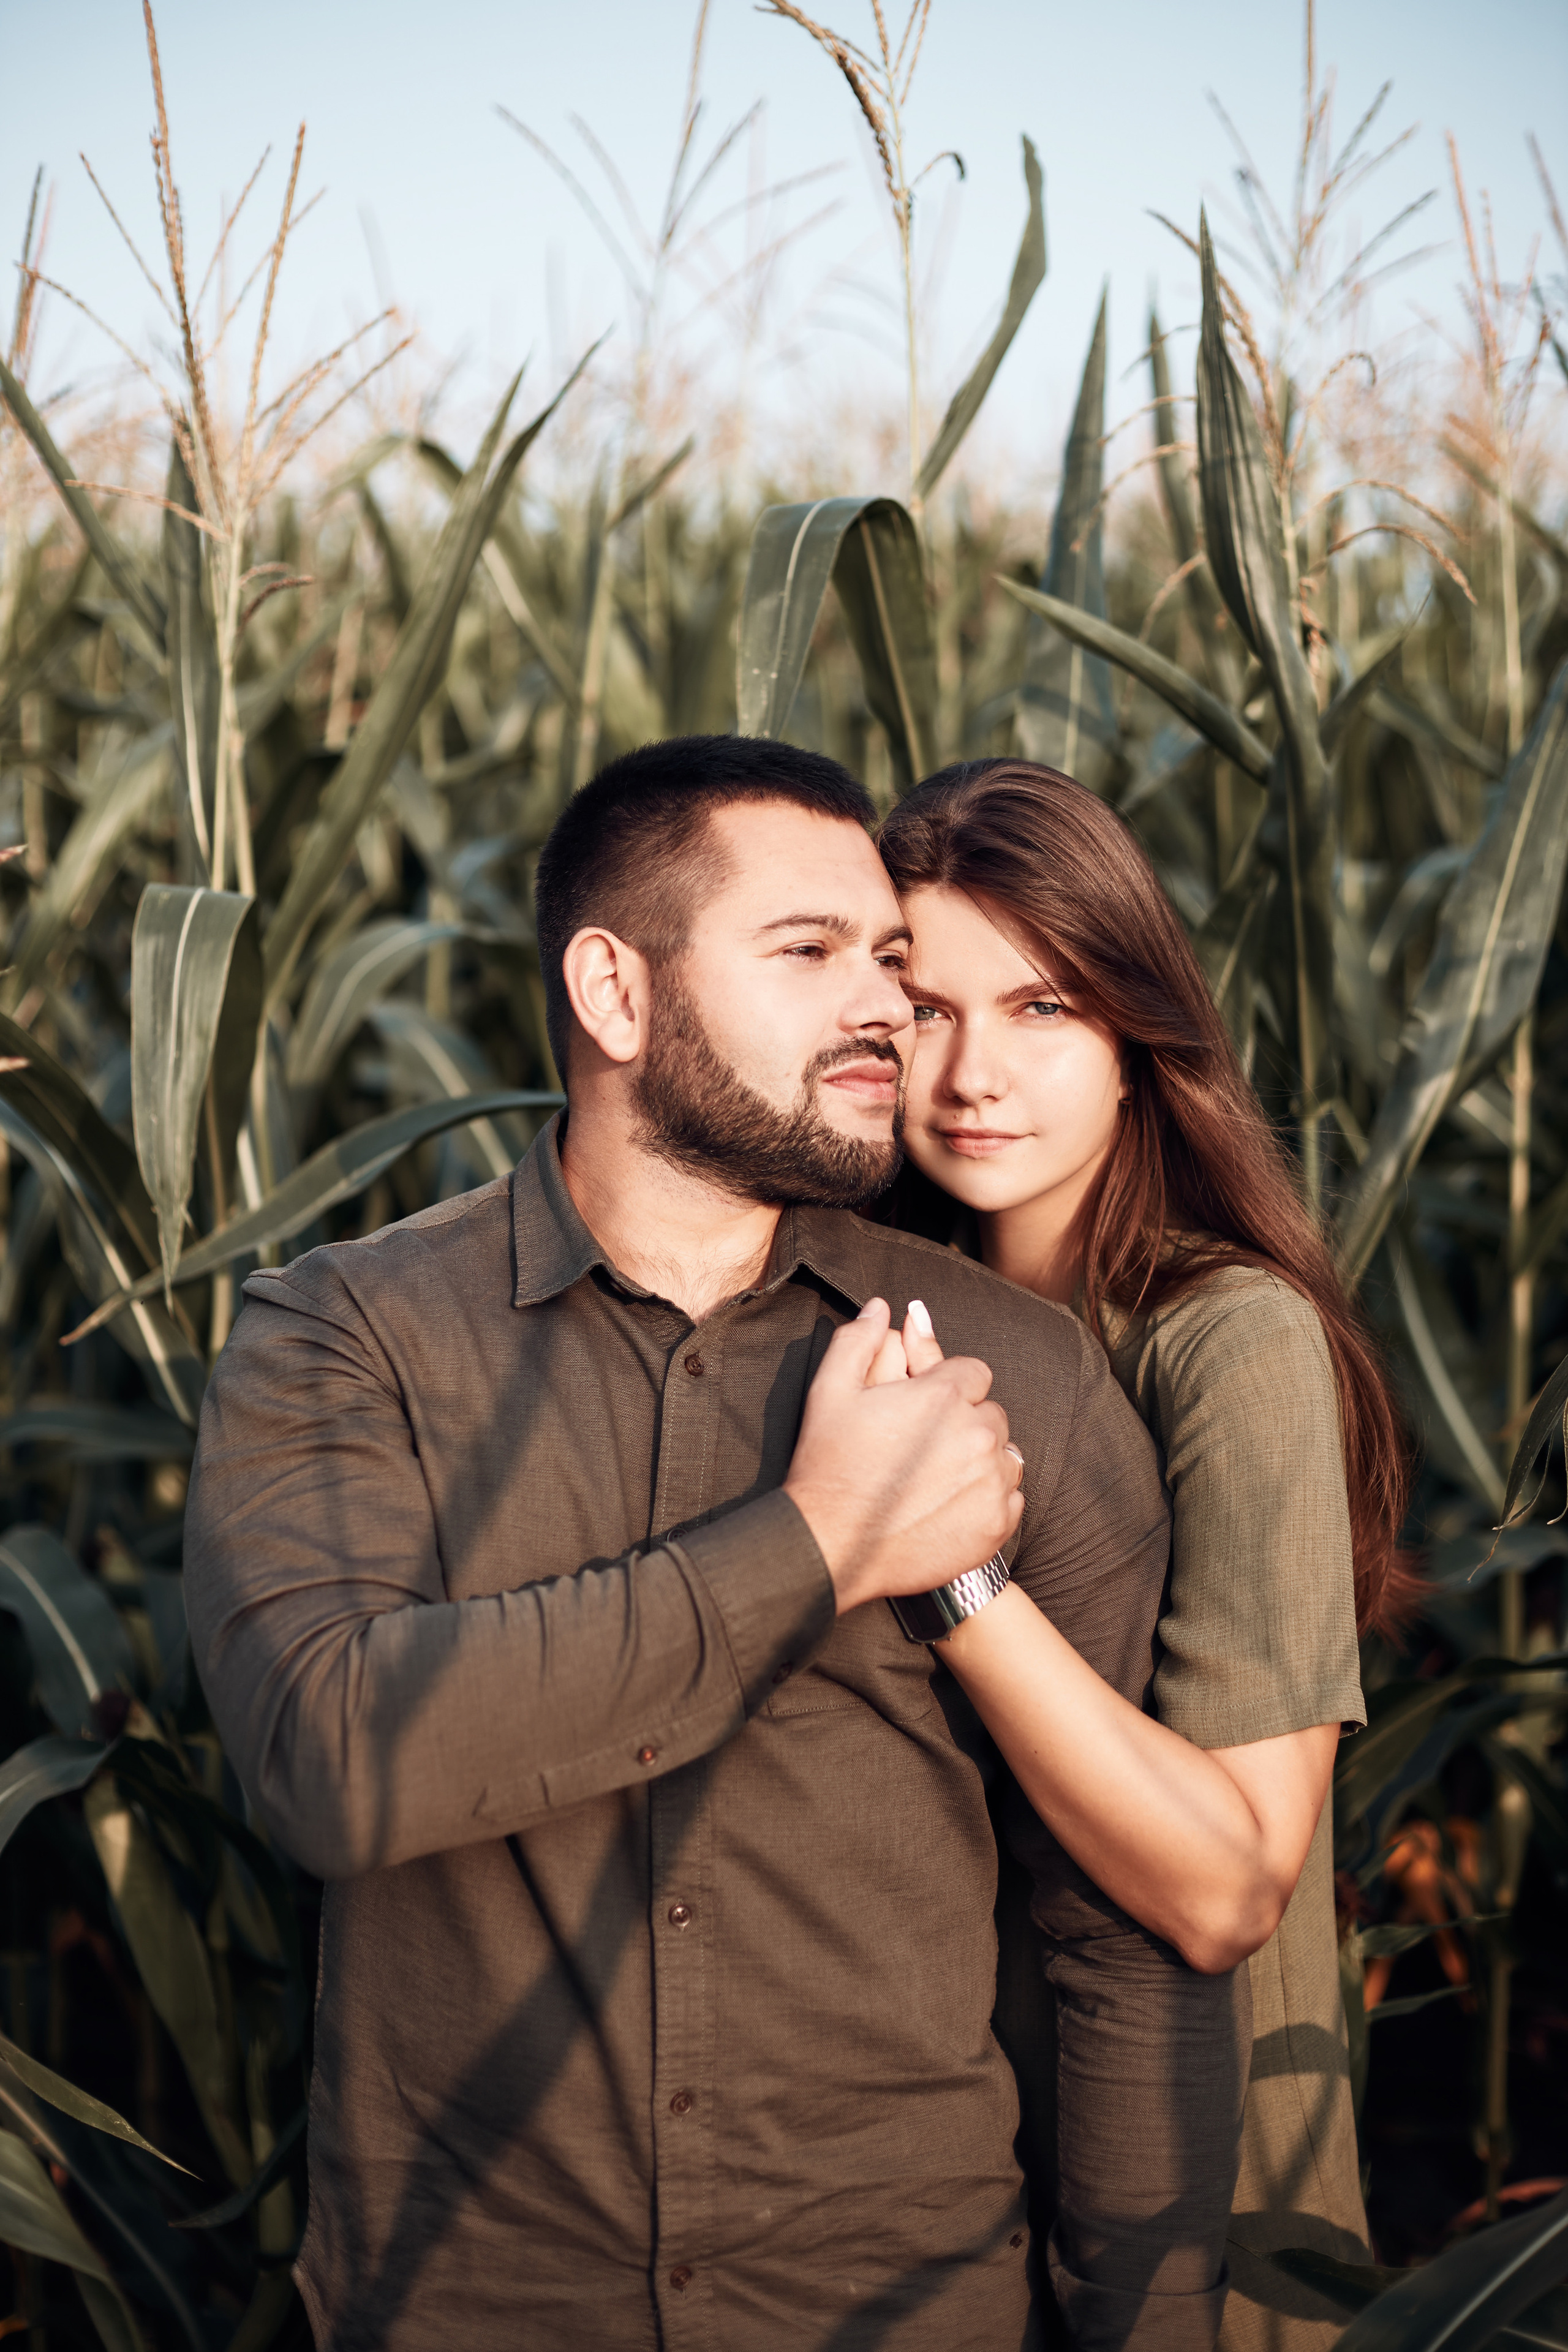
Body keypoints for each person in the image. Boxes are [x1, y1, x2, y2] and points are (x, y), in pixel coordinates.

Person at [183, 736, 1236, 2352]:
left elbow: (1117, 1947)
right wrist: (817, 1537)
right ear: (614, 992)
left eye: (889, 958)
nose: (884, 1007)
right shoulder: (348, 1340)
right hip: (472, 2304)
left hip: (900, 2310)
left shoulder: (1012, 1371)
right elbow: (333, 1758)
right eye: (809, 955)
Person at [877, 758, 1412, 2352]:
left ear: (1135, 1036)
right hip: (950, 2172)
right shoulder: (881, 1320)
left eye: (1044, 1007)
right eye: (927, 1004)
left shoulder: (1226, 1343)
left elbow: (1230, 1883)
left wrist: (954, 1578)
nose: (975, 1070)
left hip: (1201, 2204)